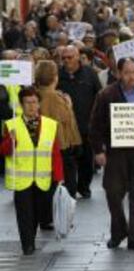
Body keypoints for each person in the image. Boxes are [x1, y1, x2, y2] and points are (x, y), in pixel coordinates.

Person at [89, 57, 134, 250]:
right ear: (118, 74)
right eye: (127, 73)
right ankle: (119, 231)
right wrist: (98, 151)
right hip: (116, 153)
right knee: (113, 192)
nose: (132, 77)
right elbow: (95, 125)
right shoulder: (107, 94)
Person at [0, 87, 64, 255]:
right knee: (24, 213)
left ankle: (31, 238)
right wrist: (10, 141)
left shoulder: (50, 125)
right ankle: (27, 244)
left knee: (38, 212)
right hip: (22, 179)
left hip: (43, 178)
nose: (31, 106)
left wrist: (59, 177)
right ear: (21, 104)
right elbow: (4, 151)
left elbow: (54, 152)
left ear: (39, 104)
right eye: (28, 102)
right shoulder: (11, 125)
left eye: (34, 102)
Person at [58, 45, 102, 199]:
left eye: (70, 57)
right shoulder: (58, 74)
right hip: (65, 127)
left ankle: (84, 187)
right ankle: (69, 187)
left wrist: (96, 119)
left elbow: (99, 96)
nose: (66, 61)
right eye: (63, 58)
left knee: (86, 159)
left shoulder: (89, 74)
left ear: (78, 57)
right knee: (68, 159)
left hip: (85, 125)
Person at [35, 60, 82, 199]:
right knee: (66, 185)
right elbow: (65, 121)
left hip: (44, 146)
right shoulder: (54, 97)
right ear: (54, 76)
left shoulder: (37, 94)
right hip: (61, 146)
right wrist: (69, 105)